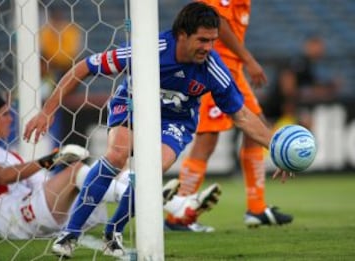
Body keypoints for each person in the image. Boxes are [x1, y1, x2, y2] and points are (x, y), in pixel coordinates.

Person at [23, 2, 291, 258]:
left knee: (153, 170)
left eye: (212, 40)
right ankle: (69, 233)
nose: (209, 48)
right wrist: (47, 111)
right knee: (117, 156)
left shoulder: (213, 67)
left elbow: (242, 116)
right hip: (133, 105)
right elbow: (84, 67)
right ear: (182, 35)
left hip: (176, 120)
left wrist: (276, 147)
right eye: (202, 40)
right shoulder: (150, 48)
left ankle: (113, 230)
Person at [164, 0, 292, 230]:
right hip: (216, 69)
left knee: (255, 127)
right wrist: (249, 59)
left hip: (234, 70)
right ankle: (178, 215)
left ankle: (256, 207)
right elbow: (218, 21)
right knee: (207, 139)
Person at [0, 96, 108, 239]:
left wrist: (56, 165)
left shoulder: (10, 156)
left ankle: (125, 192)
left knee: (94, 176)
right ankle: (126, 195)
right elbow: (2, 176)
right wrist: (50, 160)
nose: (10, 119)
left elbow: (39, 182)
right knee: (76, 172)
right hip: (9, 216)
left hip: (25, 206)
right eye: (4, 114)